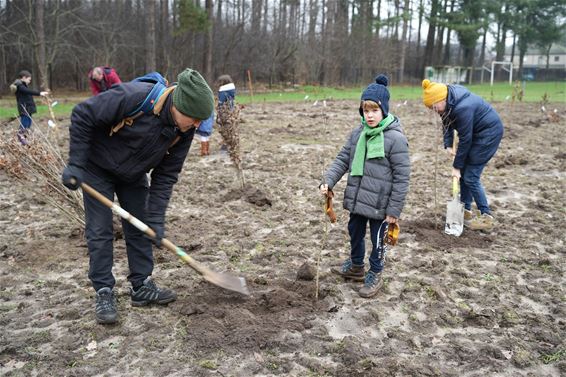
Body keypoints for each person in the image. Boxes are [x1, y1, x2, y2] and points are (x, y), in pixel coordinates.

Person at [62, 68, 214, 324]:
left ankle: (141, 286)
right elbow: (83, 114)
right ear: (179, 105)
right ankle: (104, 291)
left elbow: (166, 175)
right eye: (194, 118)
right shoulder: (134, 96)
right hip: (97, 167)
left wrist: (156, 218)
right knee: (100, 230)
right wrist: (76, 164)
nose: (197, 125)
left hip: (133, 173)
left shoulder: (183, 131)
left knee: (141, 226)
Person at [319, 74, 410, 298]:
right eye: (365, 110)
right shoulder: (358, 134)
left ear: (384, 111)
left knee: (377, 240)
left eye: (374, 110)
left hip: (381, 205)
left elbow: (402, 177)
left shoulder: (395, 139)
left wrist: (394, 210)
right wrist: (328, 180)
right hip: (358, 199)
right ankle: (357, 266)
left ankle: (375, 273)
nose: (369, 115)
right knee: (355, 232)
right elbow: (342, 159)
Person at [422, 79, 503, 231]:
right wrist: (448, 144)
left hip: (488, 135)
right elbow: (447, 123)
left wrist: (456, 167)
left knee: (470, 176)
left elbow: (466, 139)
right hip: (476, 134)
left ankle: (487, 217)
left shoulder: (462, 107)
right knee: (465, 173)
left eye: (434, 106)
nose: (434, 110)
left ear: (441, 99)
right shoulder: (447, 102)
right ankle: (465, 210)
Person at [9, 70, 49, 145]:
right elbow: (28, 91)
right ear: (24, 77)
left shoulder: (23, 85)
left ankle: (24, 138)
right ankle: (20, 136)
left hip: (28, 107)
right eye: (29, 79)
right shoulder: (20, 86)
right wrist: (39, 93)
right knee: (25, 122)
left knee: (29, 123)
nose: (29, 81)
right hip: (24, 107)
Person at [215, 74, 236, 153]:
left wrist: (218, 109)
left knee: (224, 128)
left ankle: (225, 145)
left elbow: (221, 102)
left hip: (224, 112)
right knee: (229, 127)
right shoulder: (231, 89)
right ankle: (230, 143)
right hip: (230, 110)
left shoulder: (223, 91)